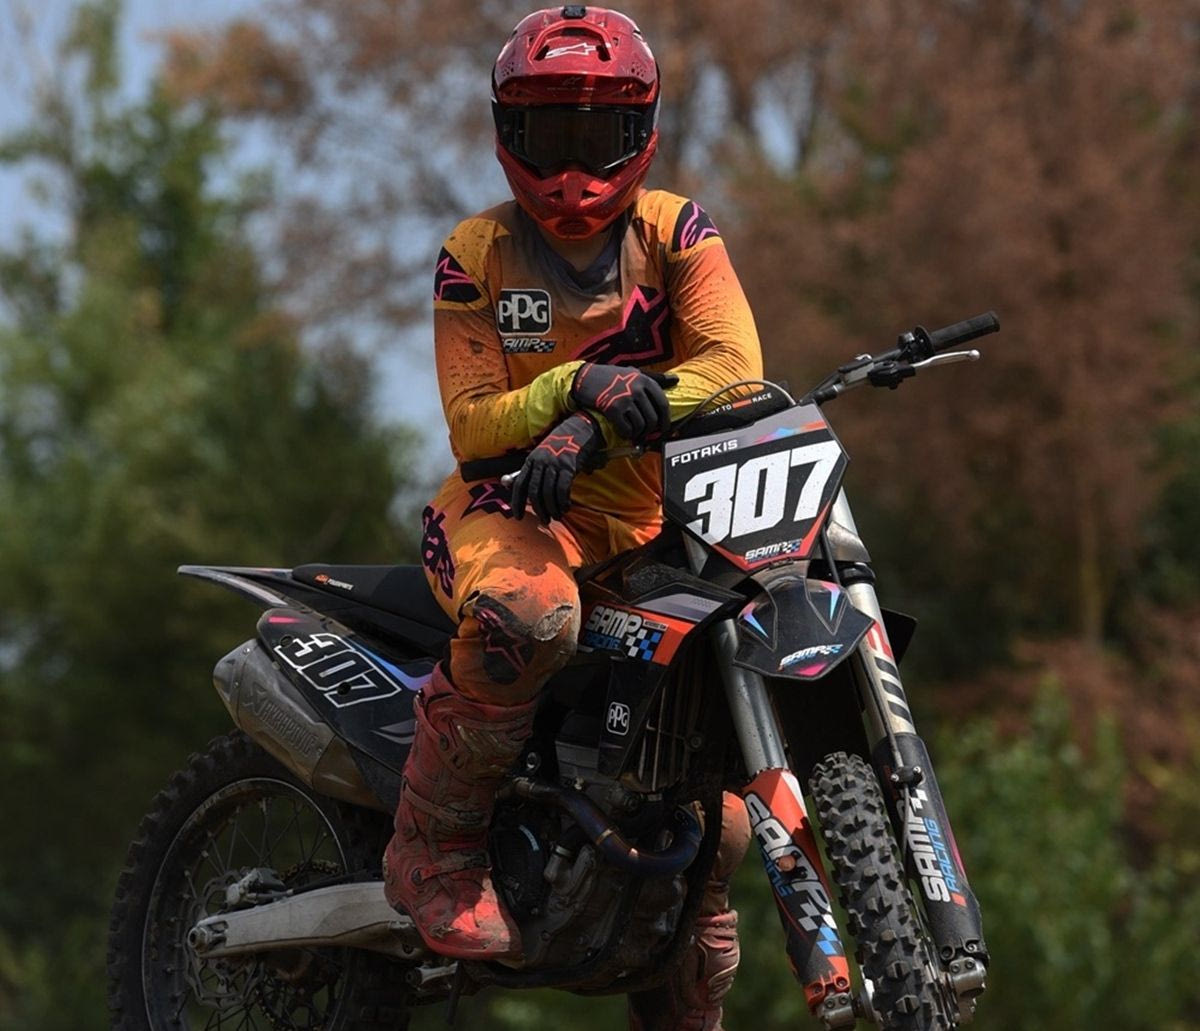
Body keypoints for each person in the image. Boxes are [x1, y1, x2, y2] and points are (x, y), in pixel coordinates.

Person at [382, 6, 763, 1027]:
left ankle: (685, 911)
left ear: (641, 133)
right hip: (502, 513)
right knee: (530, 617)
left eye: (595, 138)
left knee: (722, 789)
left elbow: (736, 369)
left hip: (641, 528)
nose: (570, 172)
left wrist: (604, 425)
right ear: (508, 132)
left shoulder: (678, 234)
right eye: (549, 137)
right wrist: (571, 388)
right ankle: (433, 846)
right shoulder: (475, 252)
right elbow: (472, 422)